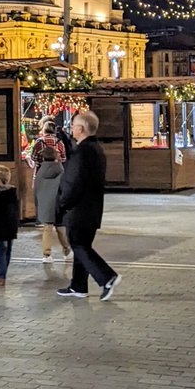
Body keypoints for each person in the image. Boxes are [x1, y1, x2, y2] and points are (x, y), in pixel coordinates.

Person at [54, 111, 121, 301]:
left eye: (74, 125)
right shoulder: (95, 149)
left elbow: (73, 182)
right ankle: (79, 286)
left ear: (81, 129)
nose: (72, 128)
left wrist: (63, 203)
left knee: (78, 244)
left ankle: (106, 276)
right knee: (81, 246)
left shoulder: (82, 152)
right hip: (92, 209)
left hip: (79, 210)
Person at [32, 120, 71, 263]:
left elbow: (34, 158)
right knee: (60, 227)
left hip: (43, 190)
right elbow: (65, 158)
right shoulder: (59, 144)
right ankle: (66, 250)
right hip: (58, 200)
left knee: (47, 227)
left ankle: (46, 255)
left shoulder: (38, 143)